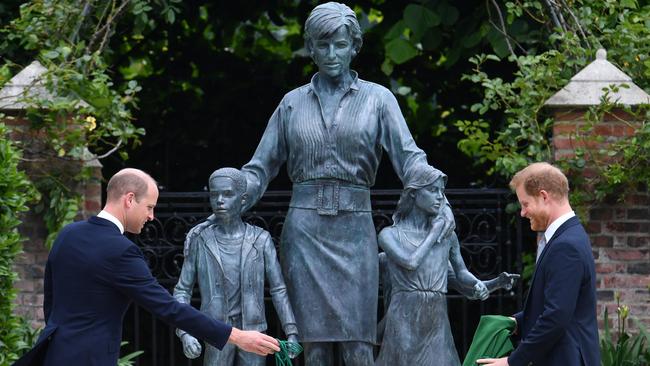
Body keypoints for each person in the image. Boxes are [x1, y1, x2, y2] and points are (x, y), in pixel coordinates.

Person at [189, 3, 454, 365]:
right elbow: (260, 168)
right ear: (310, 48)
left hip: (355, 228)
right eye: (322, 45)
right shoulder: (291, 104)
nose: (331, 54)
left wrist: (437, 196)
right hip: (305, 234)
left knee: (359, 345)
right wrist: (232, 198)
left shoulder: (379, 100)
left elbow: (410, 159)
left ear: (354, 47)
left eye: (340, 45)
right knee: (312, 347)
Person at [13, 168, 279, 366]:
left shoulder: (68, 234)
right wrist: (237, 336)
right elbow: (169, 307)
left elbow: (51, 301)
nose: (151, 216)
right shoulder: (121, 251)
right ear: (129, 199)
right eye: (149, 206)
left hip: (53, 355)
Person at [477, 162, 600, 366]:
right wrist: (517, 322)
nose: (523, 213)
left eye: (525, 204)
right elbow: (559, 306)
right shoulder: (568, 237)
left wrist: (512, 362)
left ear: (544, 196)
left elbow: (556, 317)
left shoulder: (566, 245)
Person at [174, 168, 299, 365]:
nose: (220, 200)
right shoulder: (200, 240)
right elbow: (182, 291)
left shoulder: (261, 240)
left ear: (243, 199)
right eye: (214, 194)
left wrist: (291, 331)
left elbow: (278, 289)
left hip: (254, 331)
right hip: (215, 331)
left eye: (228, 194)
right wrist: (185, 333)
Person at [375, 165, 489, 365]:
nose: (440, 197)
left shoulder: (448, 236)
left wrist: (476, 283)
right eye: (433, 190)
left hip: (436, 316)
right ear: (413, 194)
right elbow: (410, 262)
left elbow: (460, 272)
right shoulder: (390, 235)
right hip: (404, 316)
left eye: (442, 192)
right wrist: (434, 233)